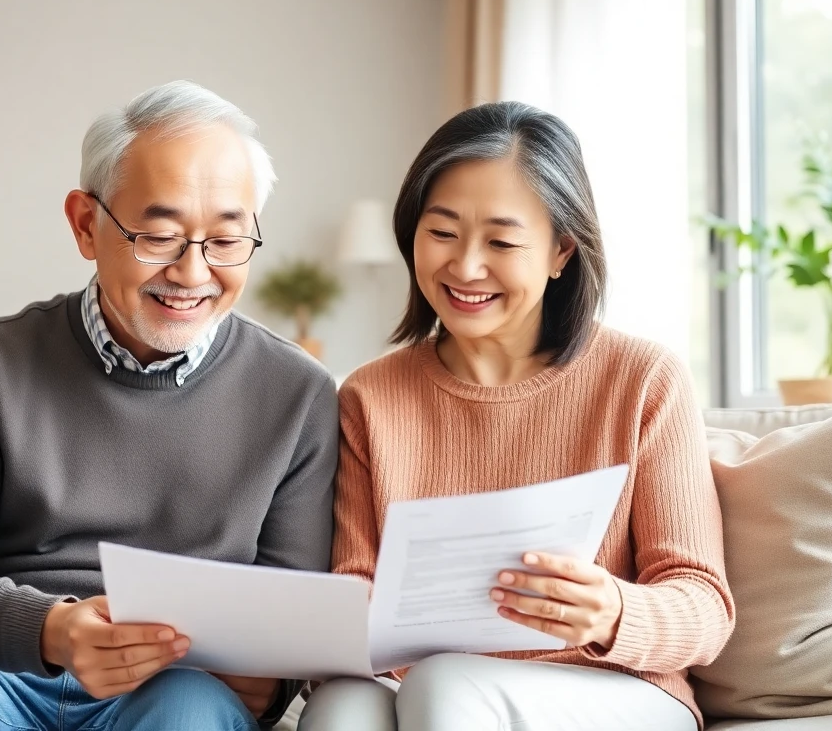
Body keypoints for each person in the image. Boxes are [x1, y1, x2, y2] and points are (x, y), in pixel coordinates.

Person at [0, 80, 339, 731]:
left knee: (191, 709)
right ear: (85, 225)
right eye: (158, 236)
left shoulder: (299, 394)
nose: (192, 272)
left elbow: (294, 608)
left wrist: (271, 678)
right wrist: (53, 628)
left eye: (225, 240)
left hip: (171, 686)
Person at [298, 101, 735, 731]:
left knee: (447, 687)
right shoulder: (370, 396)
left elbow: (703, 606)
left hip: (616, 691)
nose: (465, 267)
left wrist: (612, 610)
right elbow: (357, 587)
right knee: (342, 707)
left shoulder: (643, 379)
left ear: (561, 251)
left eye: (501, 241)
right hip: (423, 690)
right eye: (442, 233)